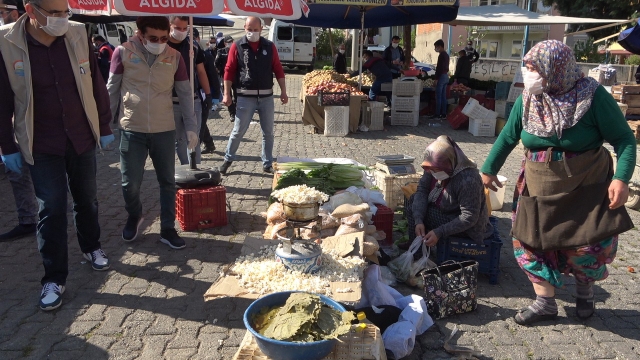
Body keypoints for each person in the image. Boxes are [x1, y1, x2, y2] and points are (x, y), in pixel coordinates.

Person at [480, 40, 637, 325]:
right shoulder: (529, 97)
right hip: (539, 184)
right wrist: (488, 169)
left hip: (586, 185)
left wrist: (621, 179)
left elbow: (625, 139)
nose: (528, 73)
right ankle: (545, 303)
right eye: (527, 67)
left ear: (556, 69)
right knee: (530, 241)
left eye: (533, 68)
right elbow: (508, 136)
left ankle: (585, 292)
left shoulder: (593, 97)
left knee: (586, 243)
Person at [0, 0, 114, 311]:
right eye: (55, 14)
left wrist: (103, 124)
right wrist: (6, 145)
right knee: (51, 207)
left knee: (87, 198)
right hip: (40, 141)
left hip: (80, 135)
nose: (63, 19)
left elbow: (94, 83)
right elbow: (3, 98)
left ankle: (92, 247)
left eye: (66, 12)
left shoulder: (77, 33)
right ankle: (54, 277)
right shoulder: (6, 41)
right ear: (30, 9)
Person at [107, 16, 198, 250]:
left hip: (164, 129)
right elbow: (112, 90)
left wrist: (191, 127)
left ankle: (167, 228)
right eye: (153, 38)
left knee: (167, 182)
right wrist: (103, 124)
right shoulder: (122, 52)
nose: (159, 42)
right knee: (130, 184)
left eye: (164, 38)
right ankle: (134, 215)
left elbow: (185, 94)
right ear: (140, 34)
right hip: (131, 129)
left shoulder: (174, 56)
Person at [220, 16, 288, 175]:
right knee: (238, 131)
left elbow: (278, 69)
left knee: (268, 132)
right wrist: (226, 94)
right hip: (245, 97)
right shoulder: (237, 46)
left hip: (266, 97)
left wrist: (284, 91)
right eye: (249, 29)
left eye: (255, 30)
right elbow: (229, 70)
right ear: (244, 28)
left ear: (261, 29)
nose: (252, 32)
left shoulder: (269, 47)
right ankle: (227, 160)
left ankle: (267, 162)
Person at [407, 136, 493, 248]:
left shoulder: (468, 179)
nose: (433, 173)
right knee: (414, 201)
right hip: (443, 211)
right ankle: (415, 246)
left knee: (420, 211)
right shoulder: (432, 166)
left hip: (466, 227)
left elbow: (469, 216)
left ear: (448, 164)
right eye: (431, 170)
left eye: (437, 170)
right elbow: (422, 190)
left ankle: (420, 249)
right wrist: (418, 220)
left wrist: (439, 232)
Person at [0, 0, 38, 242]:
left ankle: (60, 213)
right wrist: (6, 144)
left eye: (2, 12)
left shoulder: (34, 40)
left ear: (15, 12)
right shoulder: (3, 43)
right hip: (16, 122)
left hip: (43, 123)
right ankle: (28, 220)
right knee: (18, 174)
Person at [167, 16, 211, 166]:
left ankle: (196, 170)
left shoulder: (193, 46)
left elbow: (201, 71)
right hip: (170, 101)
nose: (182, 31)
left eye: (185, 28)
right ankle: (185, 169)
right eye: (178, 28)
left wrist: (209, 94)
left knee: (194, 139)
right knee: (179, 140)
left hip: (193, 100)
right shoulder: (163, 45)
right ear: (170, 26)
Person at [196, 27, 221, 155]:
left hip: (204, 94)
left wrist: (215, 96)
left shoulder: (206, 56)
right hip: (194, 93)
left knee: (200, 122)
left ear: (198, 39)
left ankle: (196, 150)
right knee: (200, 121)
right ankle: (209, 144)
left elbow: (213, 77)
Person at [215, 35, 236, 122]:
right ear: (224, 43)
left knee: (237, 95)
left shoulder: (236, 51)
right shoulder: (221, 52)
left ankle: (237, 112)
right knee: (228, 95)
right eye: (228, 42)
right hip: (225, 78)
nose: (230, 43)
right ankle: (232, 113)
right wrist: (221, 72)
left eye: (231, 41)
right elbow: (216, 64)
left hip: (235, 77)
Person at [433, 39, 450, 119]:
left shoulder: (441, 55)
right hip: (446, 76)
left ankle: (437, 114)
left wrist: (436, 79)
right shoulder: (446, 55)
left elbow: (439, 68)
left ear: (440, 46)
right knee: (443, 96)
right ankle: (443, 114)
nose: (435, 49)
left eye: (436, 47)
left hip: (441, 77)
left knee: (438, 96)